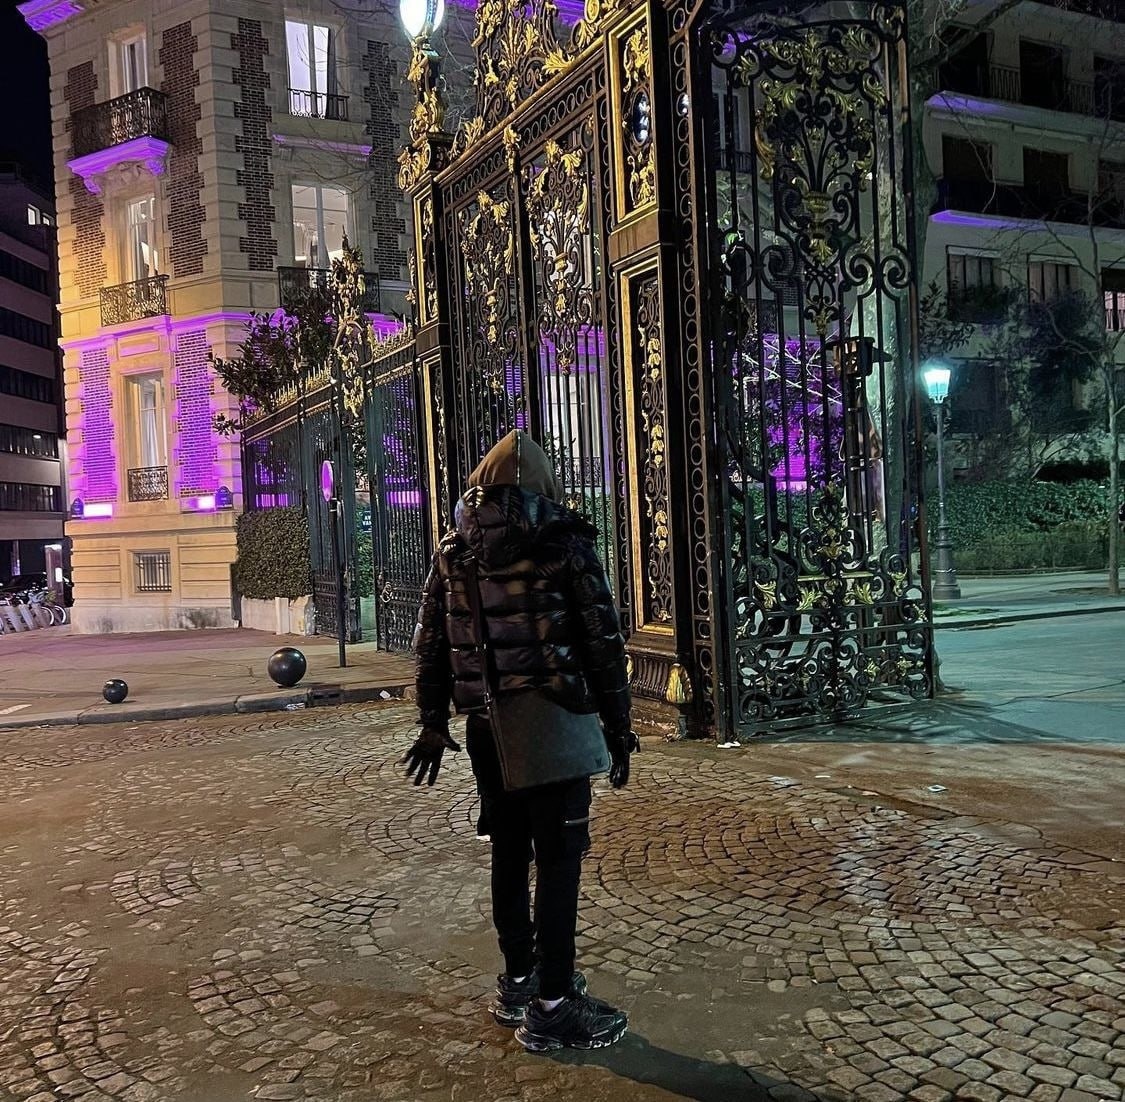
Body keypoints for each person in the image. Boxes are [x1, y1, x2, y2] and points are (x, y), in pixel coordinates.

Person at [404, 429, 636, 1052]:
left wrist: (433, 720)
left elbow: (430, 644)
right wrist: (619, 728)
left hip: (488, 727)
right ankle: (554, 1004)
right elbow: (602, 643)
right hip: (553, 722)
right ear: (542, 488)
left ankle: (518, 980)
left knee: (508, 852)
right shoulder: (564, 545)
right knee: (559, 862)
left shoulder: (455, 552)